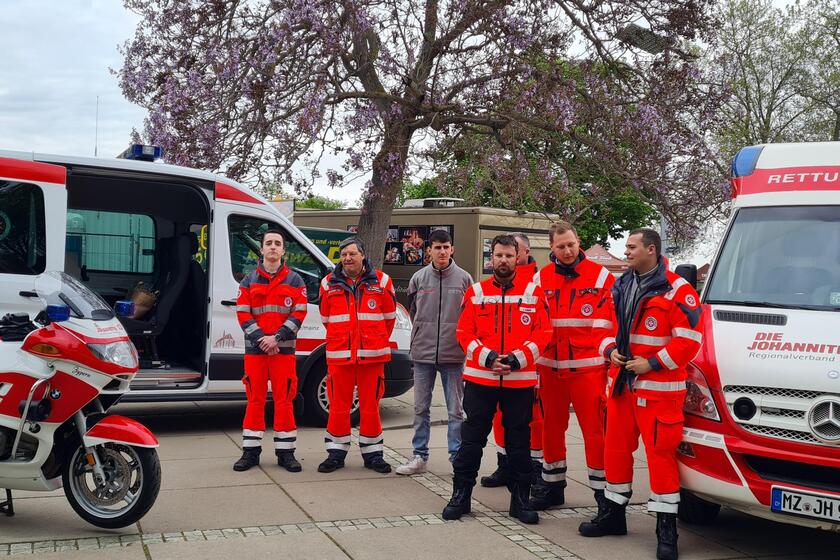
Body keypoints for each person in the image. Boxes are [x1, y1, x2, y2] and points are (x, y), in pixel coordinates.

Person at [579, 229, 702, 560]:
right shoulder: (620, 285)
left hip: (659, 393)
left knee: (660, 458)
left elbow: (690, 340)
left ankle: (666, 530)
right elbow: (601, 326)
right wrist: (610, 351)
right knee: (615, 452)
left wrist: (652, 363)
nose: (626, 252)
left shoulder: (678, 290)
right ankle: (613, 515)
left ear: (651, 249)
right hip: (622, 386)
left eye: (632, 247)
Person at [442, 235, 551, 524]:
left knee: (519, 444)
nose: (503, 260)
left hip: (519, 382)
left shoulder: (534, 293)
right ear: (491, 258)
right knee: (471, 441)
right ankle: (461, 496)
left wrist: (516, 359)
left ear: (518, 257)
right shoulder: (475, 292)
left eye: (509, 255)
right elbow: (464, 332)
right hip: (481, 380)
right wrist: (489, 358)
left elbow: (544, 334)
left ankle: (520, 500)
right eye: (499, 255)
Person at [529, 221, 614, 512]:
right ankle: (552, 487)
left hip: (588, 369)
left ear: (579, 242)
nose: (567, 251)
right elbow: (533, 320)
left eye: (571, 245)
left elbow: (611, 322)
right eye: (561, 246)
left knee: (595, 433)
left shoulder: (601, 277)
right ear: (551, 247)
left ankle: (604, 496)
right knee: (551, 429)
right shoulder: (541, 279)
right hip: (550, 368)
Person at [396, 229, 473, 475]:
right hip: (423, 355)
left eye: (445, 247)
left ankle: (456, 457)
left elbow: (470, 316)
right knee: (420, 409)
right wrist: (419, 338)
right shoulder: (418, 278)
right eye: (437, 247)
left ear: (452, 249)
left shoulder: (465, 279)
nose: (442, 252)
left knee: (455, 411)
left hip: (453, 355)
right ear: (429, 250)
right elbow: (413, 312)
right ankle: (419, 456)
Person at [317, 237, 397, 474]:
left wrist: (371, 340)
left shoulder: (382, 281)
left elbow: (389, 318)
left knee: (371, 407)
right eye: (343, 255)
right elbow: (326, 319)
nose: (347, 258)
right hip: (340, 356)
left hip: (372, 357)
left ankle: (373, 456)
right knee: (338, 407)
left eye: (352, 254)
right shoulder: (327, 284)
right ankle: (335, 454)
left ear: (363, 255)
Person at [233, 229, 308, 472]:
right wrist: (262, 339)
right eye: (269, 243)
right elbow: (243, 312)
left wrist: (276, 338)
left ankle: (286, 454)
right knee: (254, 400)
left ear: (283, 250)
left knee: (284, 401)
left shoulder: (295, 280)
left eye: (277, 243)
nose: (273, 247)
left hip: (283, 352)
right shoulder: (248, 280)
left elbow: (299, 312)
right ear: (262, 249)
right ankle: (250, 453)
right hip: (256, 352)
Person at [481, 232, 545, 489]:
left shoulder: (537, 280)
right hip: (498, 364)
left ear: (523, 252)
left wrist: (525, 357)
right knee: (499, 418)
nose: (507, 256)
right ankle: (504, 464)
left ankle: (535, 469)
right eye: (502, 252)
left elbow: (543, 327)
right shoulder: (498, 279)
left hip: (530, 364)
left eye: (513, 250)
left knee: (533, 420)